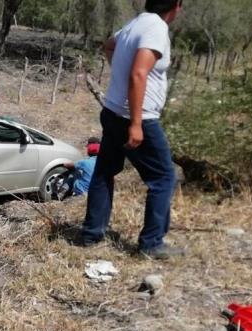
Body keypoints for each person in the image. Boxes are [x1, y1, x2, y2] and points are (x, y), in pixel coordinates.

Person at [79, 0, 184, 260]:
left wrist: (118, 69)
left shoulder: (135, 23)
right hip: (137, 118)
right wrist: (136, 123)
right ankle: (151, 244)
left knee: (105, 171)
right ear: (176, 6)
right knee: (163, 178)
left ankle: (91, 233)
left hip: (113, 111)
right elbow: (139, 74)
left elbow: (109, 45)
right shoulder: (156, 28)